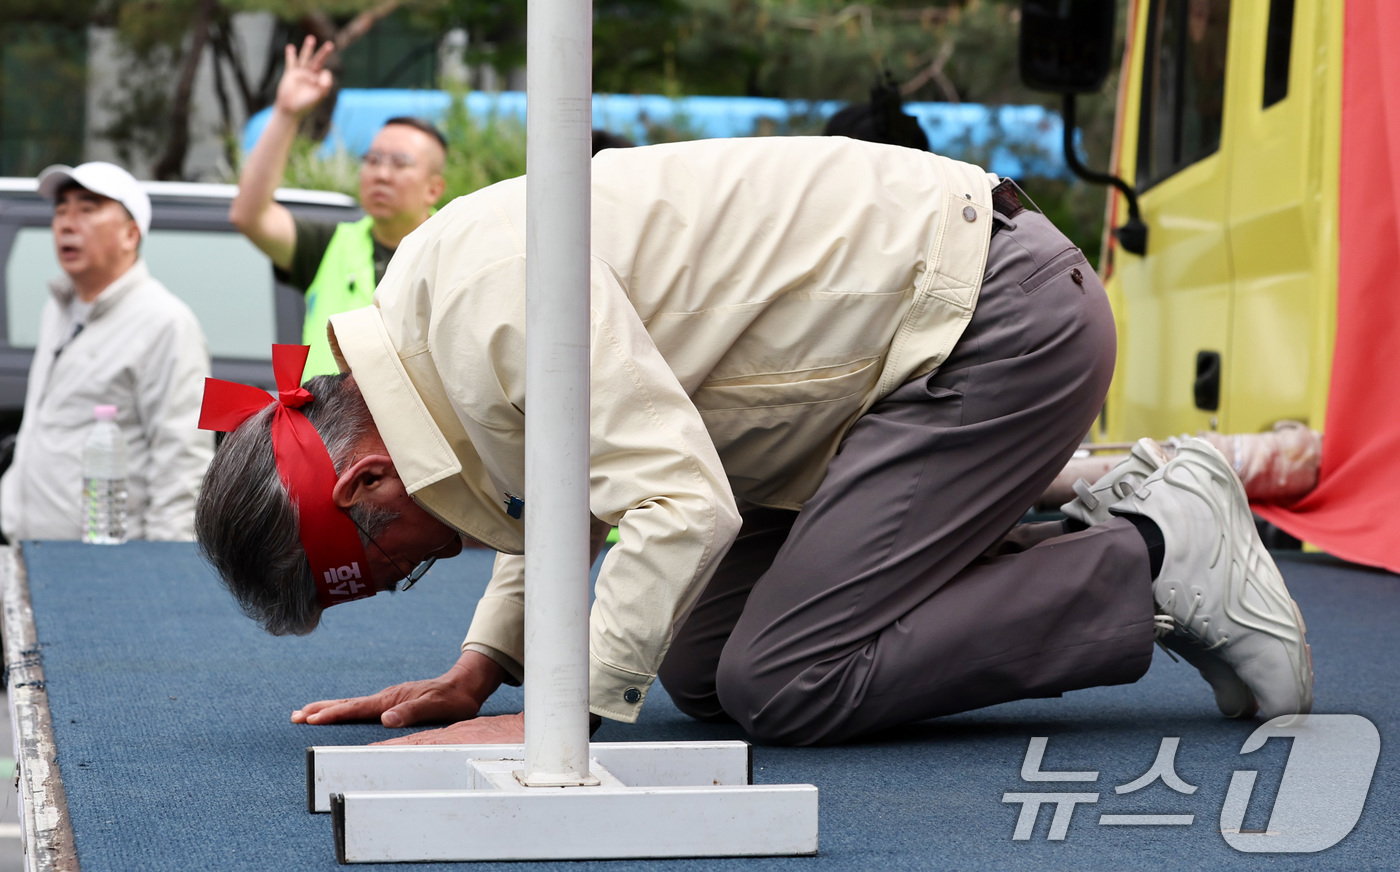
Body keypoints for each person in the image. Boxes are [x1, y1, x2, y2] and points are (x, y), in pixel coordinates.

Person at [195, 137, 1313, 747]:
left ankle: (1154, 555)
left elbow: (675, 503)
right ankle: (1111, 533)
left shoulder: (489, 302)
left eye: (379, 570)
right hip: (911, 359)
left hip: (987, 325)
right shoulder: (439, 326)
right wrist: (486, 667)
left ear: (369, 475)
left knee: (782, 678)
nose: (404, 580)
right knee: (695, 664)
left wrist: (550, 727)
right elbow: (561, 478)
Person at [0, 162, 213, 542]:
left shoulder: (165, 322)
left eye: (87, 209)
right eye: (61, 210)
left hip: (102, 566)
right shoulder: (59, 306)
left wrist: (165, 574)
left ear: (131, 234)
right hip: (29, 549)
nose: (66, 223)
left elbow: (182, 468)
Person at [229, 36, 447, 379]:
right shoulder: (330, 244)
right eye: (372, 160)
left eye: (399, 163)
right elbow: (249, 215)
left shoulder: (455, 255)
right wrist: (287, 114)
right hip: (327, 430)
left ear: (434, 188)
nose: (381, 174)